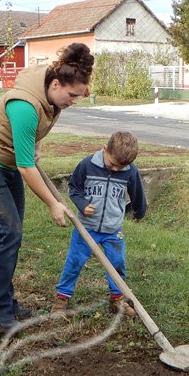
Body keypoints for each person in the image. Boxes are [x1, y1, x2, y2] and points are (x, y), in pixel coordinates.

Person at [0, 42, 95, 336]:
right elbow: (26, 168)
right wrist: (52, 203)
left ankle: (5, 303)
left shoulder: (52, 97)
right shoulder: (25, 105)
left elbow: (27, 144)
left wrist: (32, 146)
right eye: (72, 95)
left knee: (13, 234)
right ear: (56, 83)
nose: (74, 101)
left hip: (4, 165)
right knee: (9, 232)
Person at [51, 131, 147, 316]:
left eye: (122, 166)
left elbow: (137, 193)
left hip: (113, 229)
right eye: (113, 164)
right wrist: (82, 204)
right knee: (75, 261)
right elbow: (74, 189)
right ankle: (62, 299)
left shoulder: (130, 170)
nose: (116, 170)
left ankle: (117, 300)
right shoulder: (87, 165)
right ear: (104, 149)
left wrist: (139, 211)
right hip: (86, 227)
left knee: (117, 263)